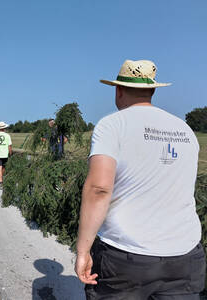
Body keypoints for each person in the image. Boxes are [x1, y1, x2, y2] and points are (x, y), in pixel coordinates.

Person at [75, 59, 205, 299]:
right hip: (185, 256)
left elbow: (99, 189)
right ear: (153, 90)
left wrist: (83, 250)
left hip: (126, 256)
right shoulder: (185, 130)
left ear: (118, 90)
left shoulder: (112, 126)